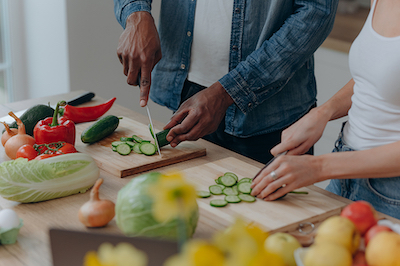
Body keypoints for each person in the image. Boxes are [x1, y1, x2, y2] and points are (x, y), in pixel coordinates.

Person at [113, 0, 339, 164]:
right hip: (187, 94)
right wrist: (136, 13)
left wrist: (227, 92)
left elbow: (316, 11)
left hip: (271, 112)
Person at [251, 0, 400, 219]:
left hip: (392, 195)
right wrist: (323, 112)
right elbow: (378, 78)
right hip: (344, 174)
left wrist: (318, 167)